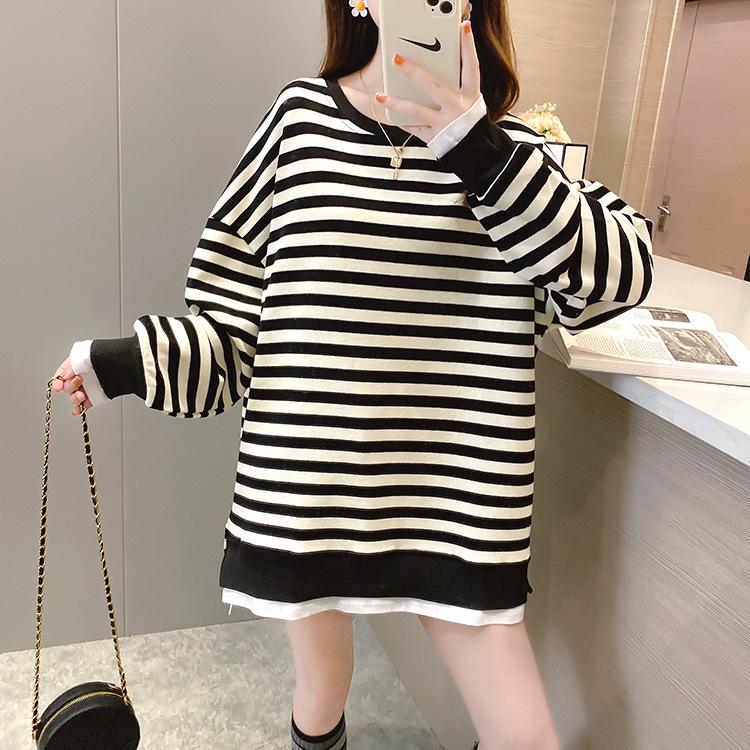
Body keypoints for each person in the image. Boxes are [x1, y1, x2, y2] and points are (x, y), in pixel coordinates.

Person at [52, 1, 654, 748]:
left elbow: (622, 276)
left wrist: (474, 146)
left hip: (457, 511)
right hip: (308, 497)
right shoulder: (299, 124)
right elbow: (233, 335)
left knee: (526, 735)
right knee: (323, 687)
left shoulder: (514, 149)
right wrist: (123, 362)